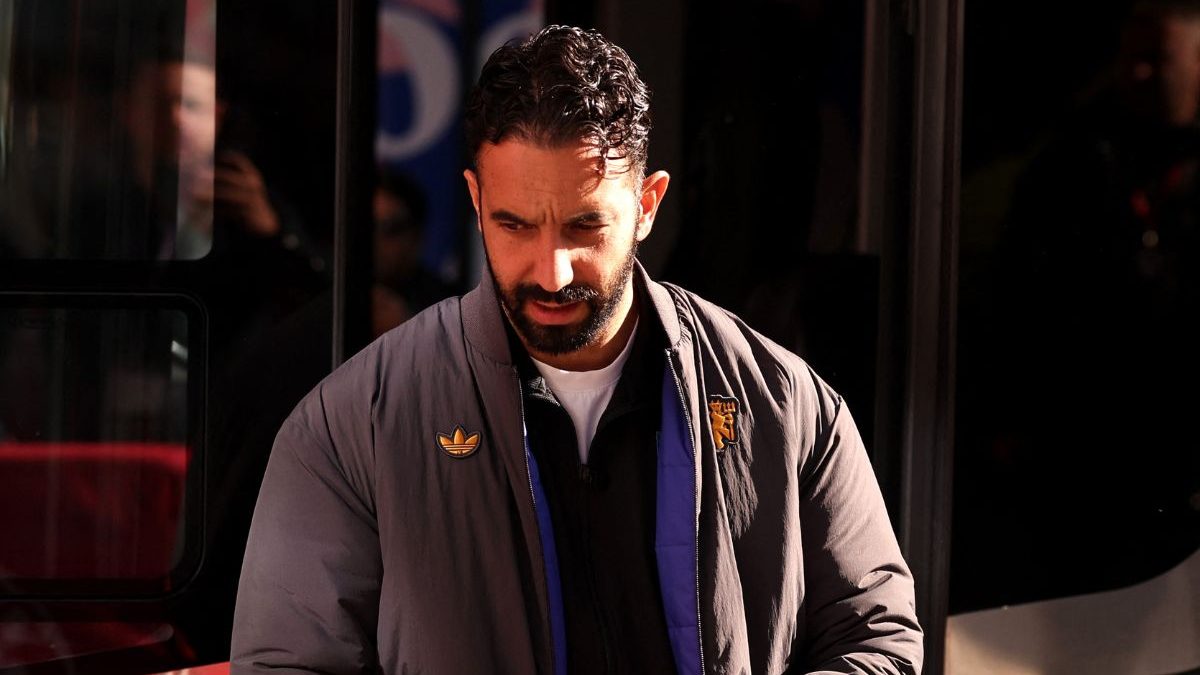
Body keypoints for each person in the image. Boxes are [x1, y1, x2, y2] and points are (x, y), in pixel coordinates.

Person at [231, 25, 922, 674]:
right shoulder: (350, 425)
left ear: (648, 205)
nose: (552, 271)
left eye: (584, 226)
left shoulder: (785, 403)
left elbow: (876, 636)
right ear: (475, 201)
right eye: (515, 225)